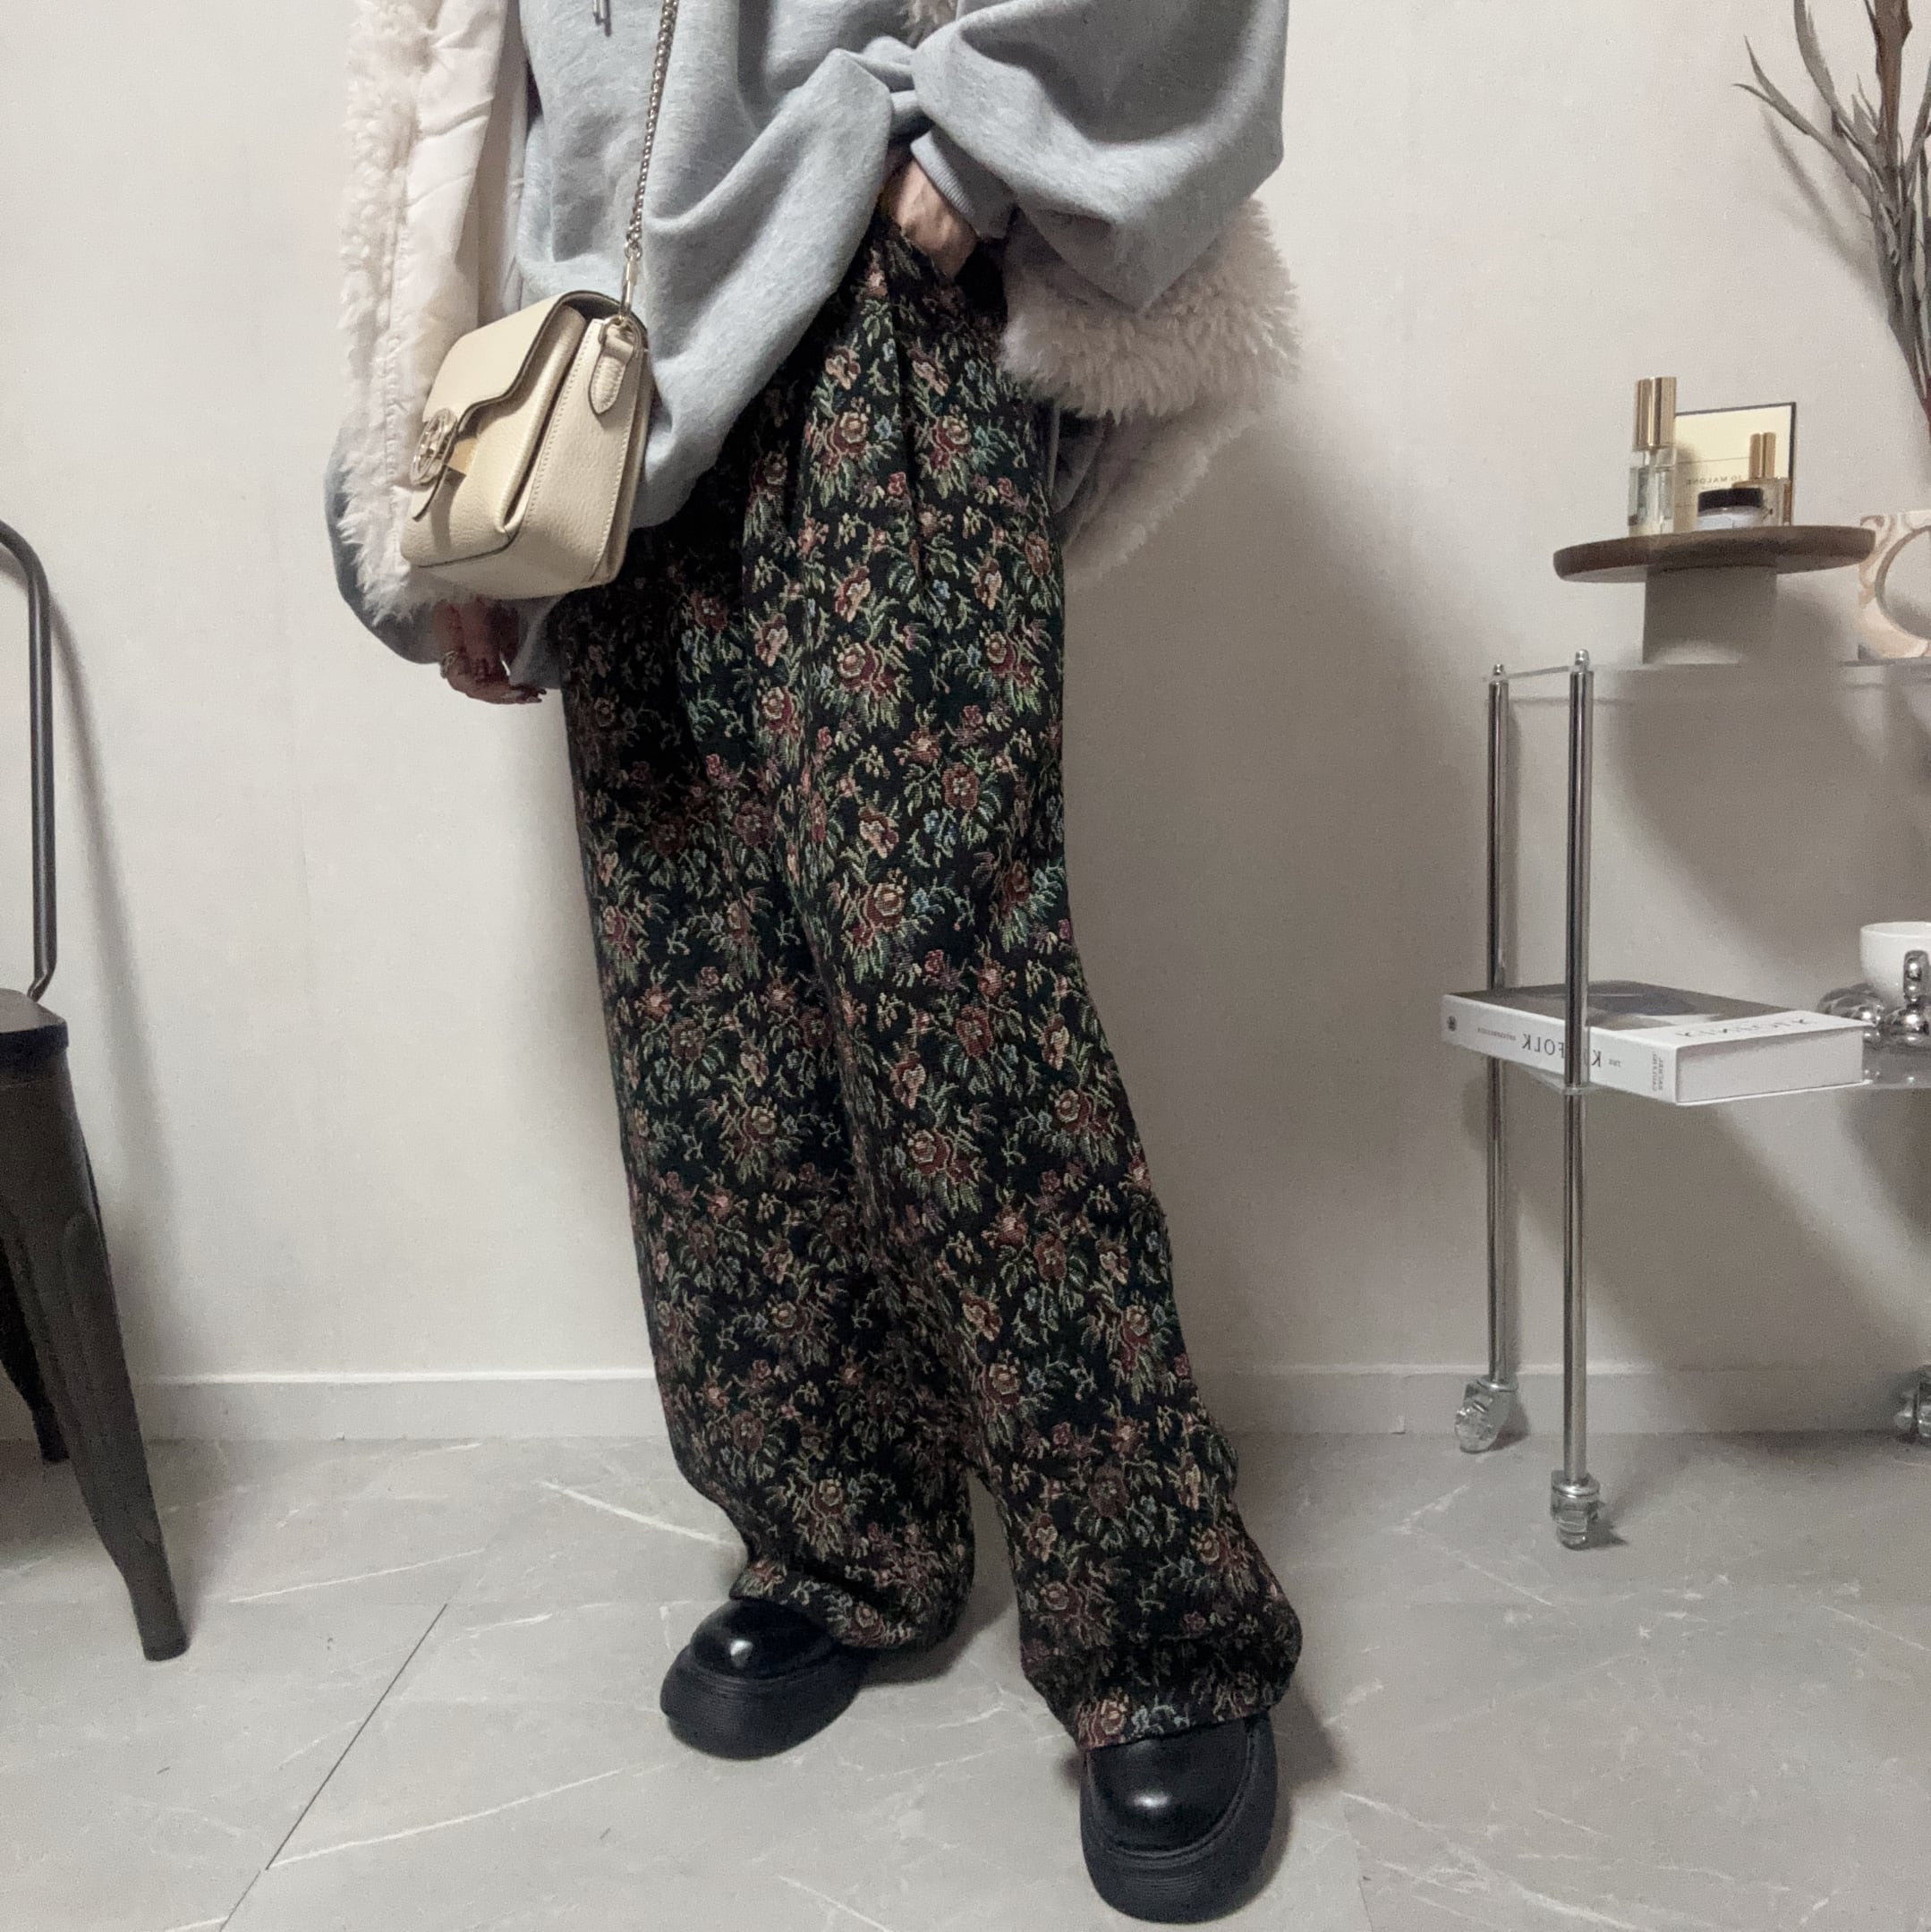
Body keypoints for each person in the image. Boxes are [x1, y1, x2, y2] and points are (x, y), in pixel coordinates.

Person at [328, 1, 1299, 1918]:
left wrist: (974, 149)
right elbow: (461, 99)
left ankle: (1158, 1634)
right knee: (706, 1031)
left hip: (870, 321)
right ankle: (839, 1539)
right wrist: (435, 463)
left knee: (952, 998)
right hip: (593, 396)